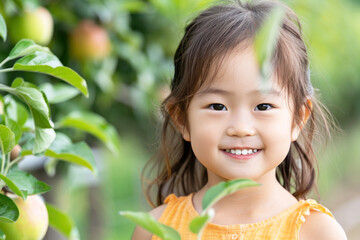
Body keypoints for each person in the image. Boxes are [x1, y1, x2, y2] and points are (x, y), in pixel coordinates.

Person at [133, 0, 347, 239]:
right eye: (217, 106)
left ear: (298, 118)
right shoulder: (156, 229)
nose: (241, 128)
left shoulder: (316, 233)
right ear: (182, 119)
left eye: (263, 106)